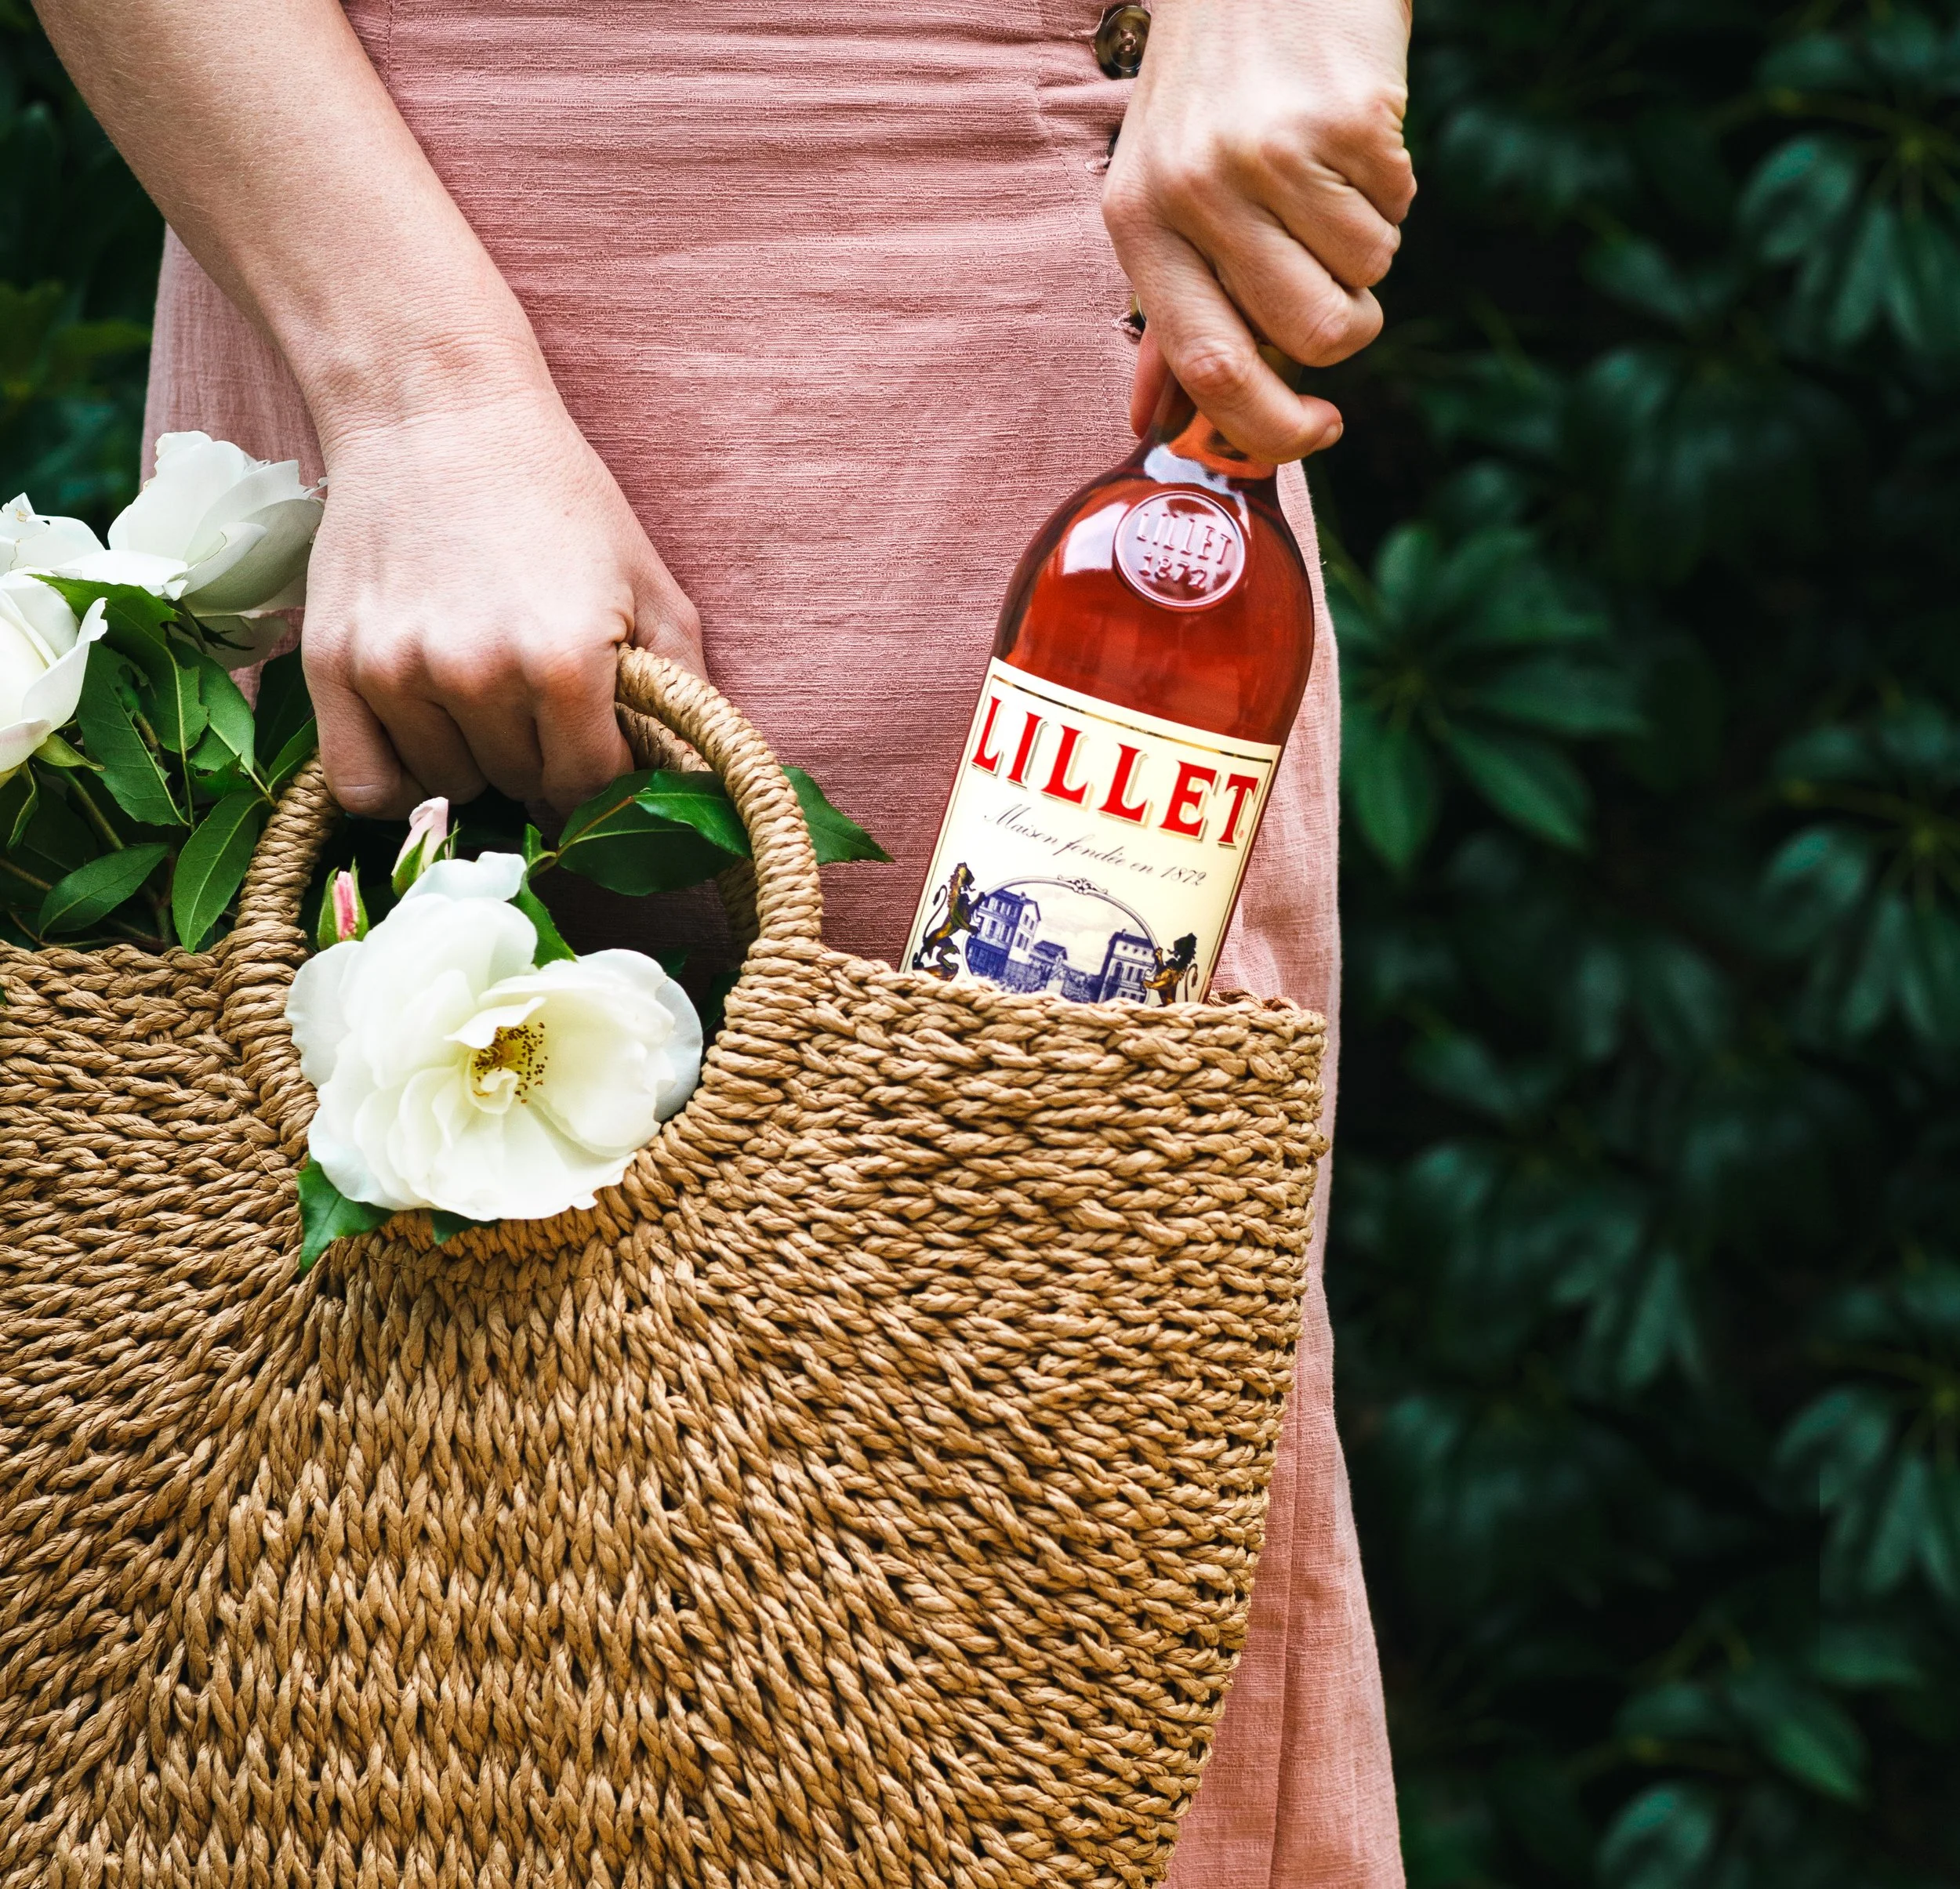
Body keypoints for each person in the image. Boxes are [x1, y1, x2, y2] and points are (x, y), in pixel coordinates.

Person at [34, 0, 1416, 1877]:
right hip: (359, 300)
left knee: (1021, 1649)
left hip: (998, 436)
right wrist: (421, 392)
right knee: (333, 1625)